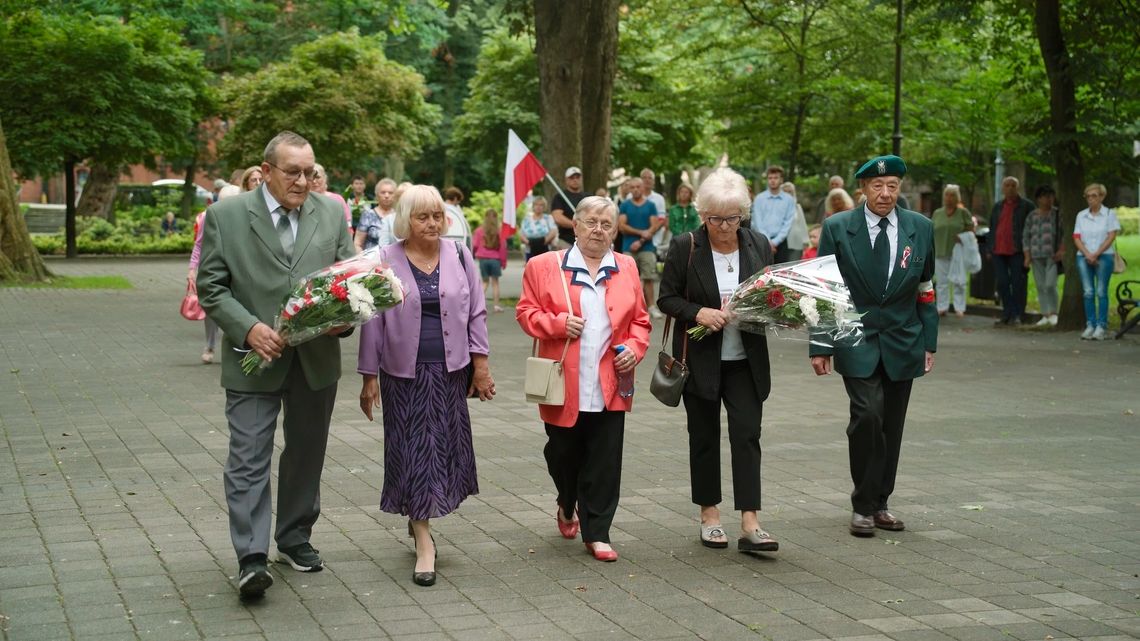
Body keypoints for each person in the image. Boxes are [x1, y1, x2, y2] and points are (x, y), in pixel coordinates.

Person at [196, 131, 357, 599]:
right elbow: (211, 287)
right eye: (293, 172)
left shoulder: (331, 212)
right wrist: (247, 328)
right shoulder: (225, 216)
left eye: (309, 172)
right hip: (253, 359)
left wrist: (342, 321)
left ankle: (293, 537)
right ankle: (251, 557)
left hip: (316, 360)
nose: (303, 181)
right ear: (266, 172)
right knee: (248, 456)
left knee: (307, 453)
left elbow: (350, 277)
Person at [357, 185, 495, 587]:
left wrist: (481, 365)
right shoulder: (385, 259)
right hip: (403, 375)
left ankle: (421, 516)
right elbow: (372, 318)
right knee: (415, 452)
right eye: (423, 217)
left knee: (442, 451)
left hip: (451, 372)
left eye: (437, 215)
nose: (433, 223)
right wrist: (368, 377)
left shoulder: (459, 254)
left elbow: (476, 312)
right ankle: (424, 542)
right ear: (406, 220)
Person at [516, 196, 652, 562]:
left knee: (605, 459)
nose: (598, 230)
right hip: (563, 382)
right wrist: (558, 324)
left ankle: (598, 532)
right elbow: (526, 312)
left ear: (615, 231)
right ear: (574, 226)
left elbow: (640, 321)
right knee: (563, 453)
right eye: (591, 222)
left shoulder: (626, 266)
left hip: (611, 382)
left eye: (606, 225)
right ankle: (567, 501)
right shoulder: (543, 265)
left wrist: (634, 349)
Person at [808, 154, 938, 538]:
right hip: (855, 336)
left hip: (904, 338)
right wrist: (820, 345)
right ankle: (862, 505)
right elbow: (824, 290)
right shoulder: (837, 227)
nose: (885, 193)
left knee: (891, 425)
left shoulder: (921, 228)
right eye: (877, 186)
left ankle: (881, 503)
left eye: (892, 186)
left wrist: (929, 342)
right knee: (867, 416)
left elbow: (926, 288)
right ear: (863, 189)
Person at [657, 168, 778, 553]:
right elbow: (666, 298)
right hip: (701, 362)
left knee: (747, 435)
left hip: (746, 361)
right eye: (715, 219)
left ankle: (750, 522)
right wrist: (699, 313)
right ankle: (709, 516)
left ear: (743, 214)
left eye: (732, 218)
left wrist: (775, 309)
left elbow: (771, 294)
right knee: (704, 438)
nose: (724, 227)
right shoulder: (686, 246)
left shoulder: (758, 243)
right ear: (702, 214)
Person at [188, 184, 241, 364]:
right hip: (215, 267)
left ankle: (237, 344)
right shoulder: (208, 216)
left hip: (238, 268)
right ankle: (210, 345)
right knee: (212, 308)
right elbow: (199, 244)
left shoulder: (246, 216)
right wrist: (192, 269)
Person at [1072, 183, 1122, 340]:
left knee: (1101, 291)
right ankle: (1090, 325)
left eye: (1094, 196)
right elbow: (1076, 237)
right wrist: (1088, 254)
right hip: (1083, 256)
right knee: (1088, 292)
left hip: (1104, 256)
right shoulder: (1081, 215)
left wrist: (1096, 254)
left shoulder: (1109, 214)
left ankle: (1101, 326)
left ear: (1102, 196)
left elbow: (1111, 236)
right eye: (1088, 196)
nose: (1090, 199)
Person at [989, 177, 1034, 325]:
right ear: (1002, 188)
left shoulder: (1026, 206)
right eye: (1007, 185)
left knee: (1018, 283)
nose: (1010, 188)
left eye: (1013, 185)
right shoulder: (997, 207)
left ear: (1017, 188)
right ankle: (1006, 312)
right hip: (998, 251)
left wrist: (1029, 252)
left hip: (1018, 250)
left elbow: (1032, 229)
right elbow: (992, 227)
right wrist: (990, 248)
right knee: (1002, 283)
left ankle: (1018, 314)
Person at [618, 177, 664, 319]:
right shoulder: (625, 205)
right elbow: (621, 226)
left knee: (648, 277)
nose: (636, 189)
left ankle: (651, 307)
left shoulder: (650, 205)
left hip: (647, 248)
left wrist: (641, 240)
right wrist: (640, 233)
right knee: (628, 279)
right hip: (628, 247)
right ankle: (630, 308)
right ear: (629, 189)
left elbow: (654, 226)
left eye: (638, 186)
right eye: (632, 187)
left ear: (643, 187)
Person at [1022, 185, 1064, 326]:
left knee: (1050, 284)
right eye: (1046, 196)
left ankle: (1054, 313)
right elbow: (1026, 236)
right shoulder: (1032, 216)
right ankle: (1045, 314)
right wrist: (1027, 255)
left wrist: (1062, 250)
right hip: (1036, 255)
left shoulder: (1057, 214)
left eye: (1051, 196)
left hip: (1052, 255)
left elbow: (1064, 233)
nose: (1049, 199)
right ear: (1039, 198)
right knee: (1040, 285)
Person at [931, 184, 975, 318]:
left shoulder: (963, 213)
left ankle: (959, 308)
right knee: (941, 282)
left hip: (958, 252)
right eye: (947, 195)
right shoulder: (937, 213)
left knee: (959, 281)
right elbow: (931, 230)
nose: (949, 198)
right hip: (940, 251)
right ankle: (942, 307)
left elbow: (971, 231)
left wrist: (963, 237)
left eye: (952, 195)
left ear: (957, 197)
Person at [750, 165, 797, 262]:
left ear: (781, 180)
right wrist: (767, 241)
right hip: (761, 241)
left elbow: (788, 223)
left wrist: (775, 242)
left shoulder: (789, 200)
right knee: (762, 269)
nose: (772, 180)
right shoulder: (759, 199)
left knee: (781, 270)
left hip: (781, 243)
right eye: (770, 178)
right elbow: (758, 222)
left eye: (776, 178)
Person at [473, 209, 508, 313]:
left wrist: (475, 254)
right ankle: (496, 306)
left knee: (485, 282)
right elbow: (503, 248)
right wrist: (503, 262)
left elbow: (475, 245)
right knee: (495, 283)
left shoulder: (479, 231)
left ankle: (477, 306)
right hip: (495, 260)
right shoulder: (500, 231)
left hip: (483, 259)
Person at [354, 178, 397, 252]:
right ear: (377, 195)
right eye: (383, 192)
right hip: (370, 257)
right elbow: (357, 244)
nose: (386, 195)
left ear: (395, 196)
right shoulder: (368, 215)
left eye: (390, 193)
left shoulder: (399, 216)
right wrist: (363, 257)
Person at [551, 167, 588, 250]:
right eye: (572, 178)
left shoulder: (588, 197)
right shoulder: (560, 197)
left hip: (586, 242)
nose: (575, 180)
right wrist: (577, 225)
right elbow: (557, 217)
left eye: (577, 177)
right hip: (566, 242)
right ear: (566, 180)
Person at [310, 163, 353, 232]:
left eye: (317, 177)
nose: (314, 181)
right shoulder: (301, 200)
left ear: (325, 178)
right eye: (311, 177)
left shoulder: (337, 199)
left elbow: (348, 228)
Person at [521, 196, 558, 261]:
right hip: (530, 249)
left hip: (545, 249)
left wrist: (542, 243)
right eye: (536, 204)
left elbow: (553, 231)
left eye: (541, 205)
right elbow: (522, 234)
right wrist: (531, 243)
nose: (538, 207)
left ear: (544, 207)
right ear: (533, 206)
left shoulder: (548, 218)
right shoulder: (527, 219)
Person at [781, 182, 809, 260]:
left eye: (790, 191)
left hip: (796, 242)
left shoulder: (797, 207)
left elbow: (802, 224)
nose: (787, 193)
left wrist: (805, 241)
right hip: (781, 244)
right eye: (785, 191)